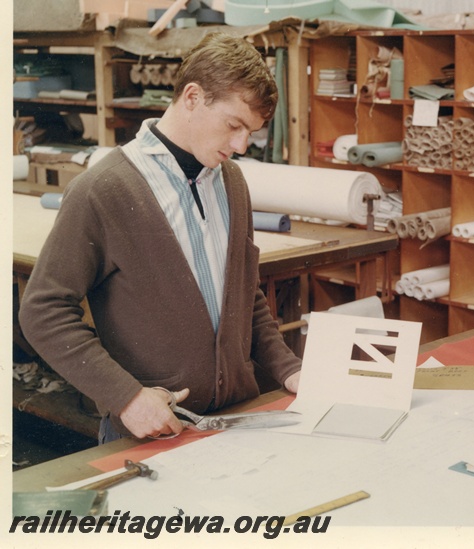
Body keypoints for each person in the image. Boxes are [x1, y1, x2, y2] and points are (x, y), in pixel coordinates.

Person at [19, 32, 301, 443]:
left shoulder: (232, 183)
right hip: (152, 431)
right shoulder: (104, 190)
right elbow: (42, 312)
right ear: (191, 97)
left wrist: (289, 368)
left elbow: (245, 296)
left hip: (236, 422)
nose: (240, 145)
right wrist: (126, 397)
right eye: (234, 125)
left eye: (251, 133)